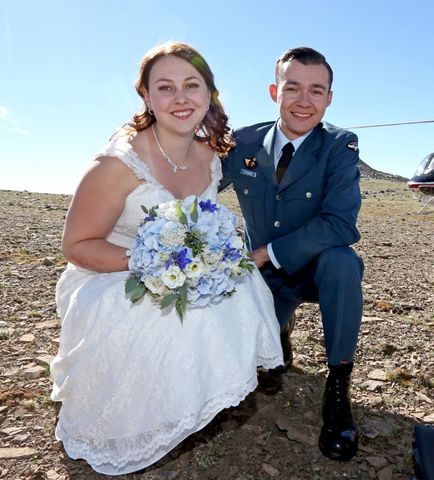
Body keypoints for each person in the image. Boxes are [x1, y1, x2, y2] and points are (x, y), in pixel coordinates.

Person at [50, 42, 283, 475]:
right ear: (147, 97)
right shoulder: (116, 164)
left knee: (239, 284)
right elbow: (78, 245)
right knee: (161, 316)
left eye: (192, 85)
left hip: (184, 265)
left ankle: (193, 396)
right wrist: (153, 264)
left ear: (209, 94)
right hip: (110, 272)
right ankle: (142, 416)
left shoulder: (211, 155)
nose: (180, 98)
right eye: (165, 87)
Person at [220, 47, 364, 461]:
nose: (305, 101)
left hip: (312, 272)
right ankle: (277, 335)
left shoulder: (339, 145)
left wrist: (266, 252)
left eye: (316, 91)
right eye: (293, 88)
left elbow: (341, 223)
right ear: (273, 91)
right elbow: (197, 190)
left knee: (343, 261)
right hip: (260, 278)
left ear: (329, 98)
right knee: (255, 370)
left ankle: (338, 390)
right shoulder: (242, 142)